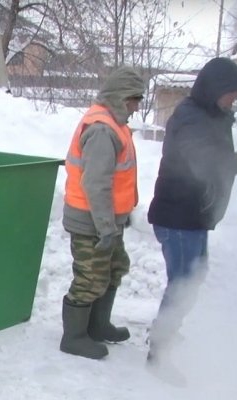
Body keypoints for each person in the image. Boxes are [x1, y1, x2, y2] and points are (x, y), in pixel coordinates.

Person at [146, 57, 237, 383]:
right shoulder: (190, 118)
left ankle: (166, 330)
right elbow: (204, 163)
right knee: (183, 283)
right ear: (215, 89)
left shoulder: (211, 114)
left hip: (193, 215)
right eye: (232, 94)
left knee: (192, 281)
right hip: (178, 217)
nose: (235, 100)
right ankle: (159, 352)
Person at [60, 66, 146, 360]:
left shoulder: (115, 124)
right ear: (122, 97)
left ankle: (98, 327)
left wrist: (121, 215)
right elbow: (96, 184)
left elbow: (119, 178)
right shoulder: (101, 129)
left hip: (106, 219)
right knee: (90, 277)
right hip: (91, 221)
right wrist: (106, 227)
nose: (137, 107)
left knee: (114, 268)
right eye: (135, 100)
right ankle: (73, 337)